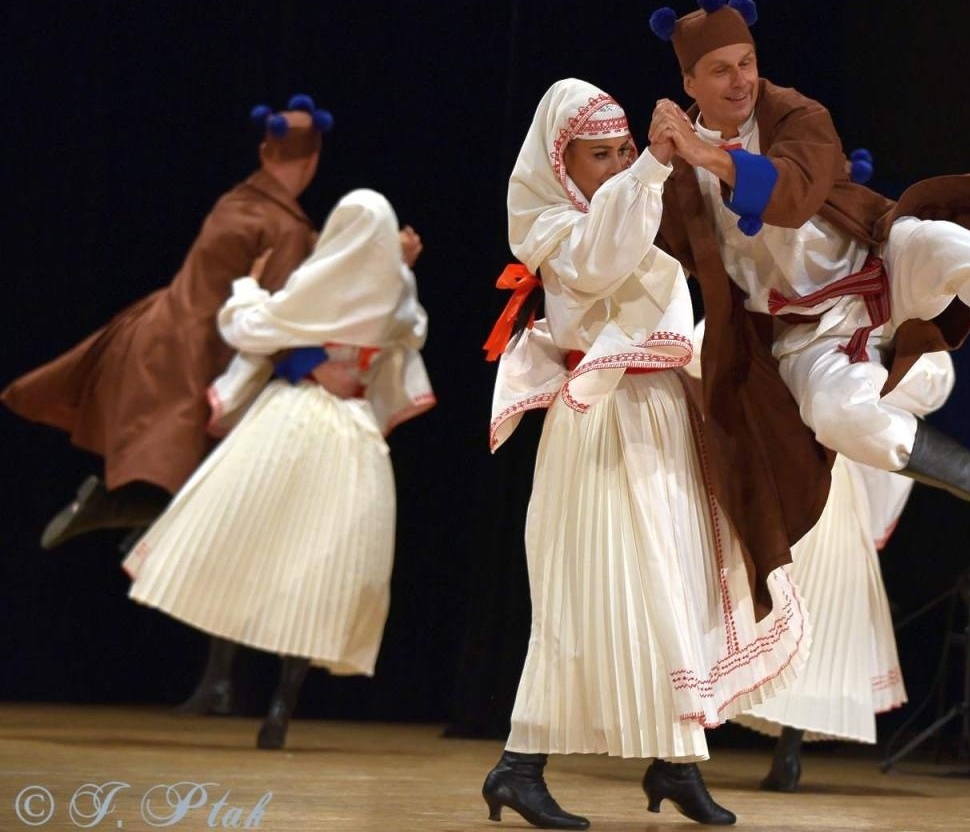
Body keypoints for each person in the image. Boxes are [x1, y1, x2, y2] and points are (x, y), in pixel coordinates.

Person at [647, 0, 970, 590]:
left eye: (747, 63)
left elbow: (793, 192)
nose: (741, 81)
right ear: (690, 83)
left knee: (942, 244)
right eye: (721, 70)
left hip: (876, 268)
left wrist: (710, 157)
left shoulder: (797, 114)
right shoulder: (677, 174)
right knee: (837, 416)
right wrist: (653, 165)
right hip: (806, 337)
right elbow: (651, 248)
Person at [481, 78, 808, 829]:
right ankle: (519, 765)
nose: (619, 163)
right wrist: (653, 166)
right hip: (602, 419)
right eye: (599, 155)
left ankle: (676, 761)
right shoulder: (557, 229)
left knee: (682, 579)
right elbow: (602, 259)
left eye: (623, 149)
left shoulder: (633, 202)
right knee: (594, 590)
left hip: (660, 408)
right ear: (562, 164)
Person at [122, 188, 434, 750]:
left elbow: (250, 328)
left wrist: (248, 288)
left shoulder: (317, 284)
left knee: (247, 537)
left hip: (296, 422)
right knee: (319, 567)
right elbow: (412, 329)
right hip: (352, 432)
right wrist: (401, 269)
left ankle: (222, 678)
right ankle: (280, 704)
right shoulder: (391, 292)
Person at [4, 96, 332, 551]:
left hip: (155, 332)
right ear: (313, 161)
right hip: (198, 358)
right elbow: (273, 320)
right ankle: (121, 513)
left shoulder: (238, 200)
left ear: (263, 153)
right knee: (217, 484)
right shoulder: (285, 228)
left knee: (175, 479)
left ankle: (128, 519)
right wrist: (312, 368)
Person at [685, 318, 955, 791]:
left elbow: (930, 381)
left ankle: (773, 747)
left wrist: (864, 370)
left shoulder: (878, 314)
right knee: (754, 600)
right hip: (776, 455)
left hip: (819, 464)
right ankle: (699, 742)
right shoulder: (780, 295)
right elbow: (701, 347)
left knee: (809, 602)